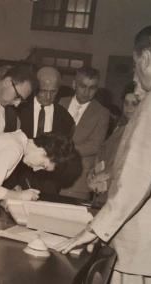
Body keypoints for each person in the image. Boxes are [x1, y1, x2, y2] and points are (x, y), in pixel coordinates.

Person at [57, 23, 151, 283]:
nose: (135, 74)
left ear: (145, 59)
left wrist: (95, 230)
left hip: (142, 248)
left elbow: (137, 178)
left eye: (135, 65)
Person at [9, 66, 75, 196]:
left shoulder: (65, 118)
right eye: (43, 91)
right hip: (17, 178)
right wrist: (12, 183)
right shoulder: (18, 109)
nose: (48, 96)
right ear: (35, 87)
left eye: (53, 92)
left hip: (49, 184)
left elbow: (61, 157)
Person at [59, 67, 110, 200]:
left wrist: (61, 150)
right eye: (83, 86)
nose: (87, 92)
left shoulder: (102, 113)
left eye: (92, 88)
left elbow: (94, 145)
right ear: (74, 84)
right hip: (50, 176)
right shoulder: (60, 103)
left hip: (79, 180)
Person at [87, 89, 142, 207]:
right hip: (103, 189)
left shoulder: (141, 131)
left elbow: (130, 163)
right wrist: (93, 173)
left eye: (134, 104)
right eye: (126, 103)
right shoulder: (120, 126)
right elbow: (105, 153)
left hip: (120, 192)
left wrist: (106, 175)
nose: (129, 107)